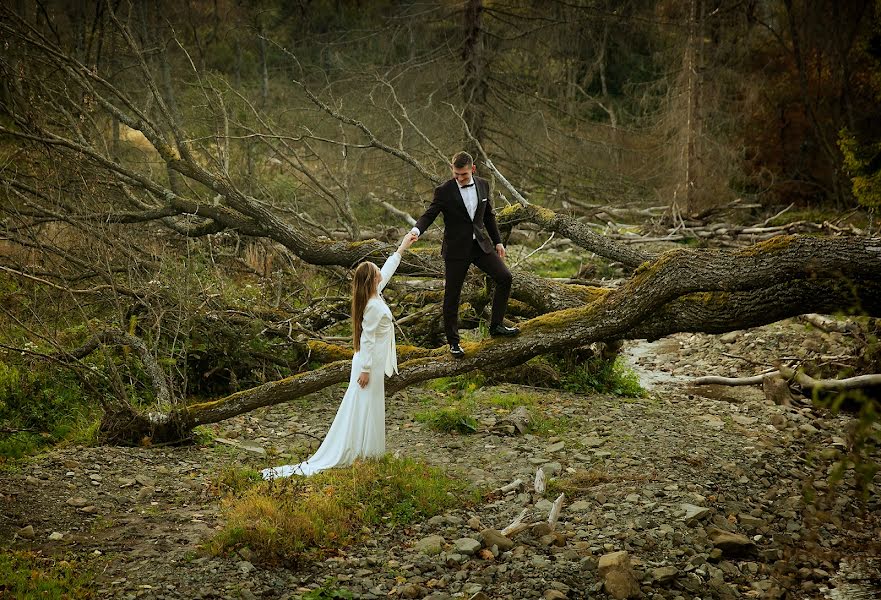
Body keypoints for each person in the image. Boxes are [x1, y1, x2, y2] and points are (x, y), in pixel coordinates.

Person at [261, 232, 418, 479]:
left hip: (373, 363)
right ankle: (363, 453)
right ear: (371, 280)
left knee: (368, 406)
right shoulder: (373, 306)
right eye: (376, 270)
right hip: (369, 364)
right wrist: (365, 370)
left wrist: (402, 247)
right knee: (364, 406)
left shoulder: (375, 293)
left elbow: (388, 269)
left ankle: (368, 452)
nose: (380, 272)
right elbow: (366, 339)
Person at [410, 151, 519, 358]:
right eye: (456, 174)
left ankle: (496, 325)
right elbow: (429, 214)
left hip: (480, 245)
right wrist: (416, 231)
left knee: (505, 277)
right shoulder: (444, 191)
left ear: (473, 170)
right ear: (452, 170)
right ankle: (453, 342)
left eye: (464, 175)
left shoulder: (483, 185)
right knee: (452, 295)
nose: (460, 178)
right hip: (456, 250)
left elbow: (488, 216)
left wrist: (498, 242)